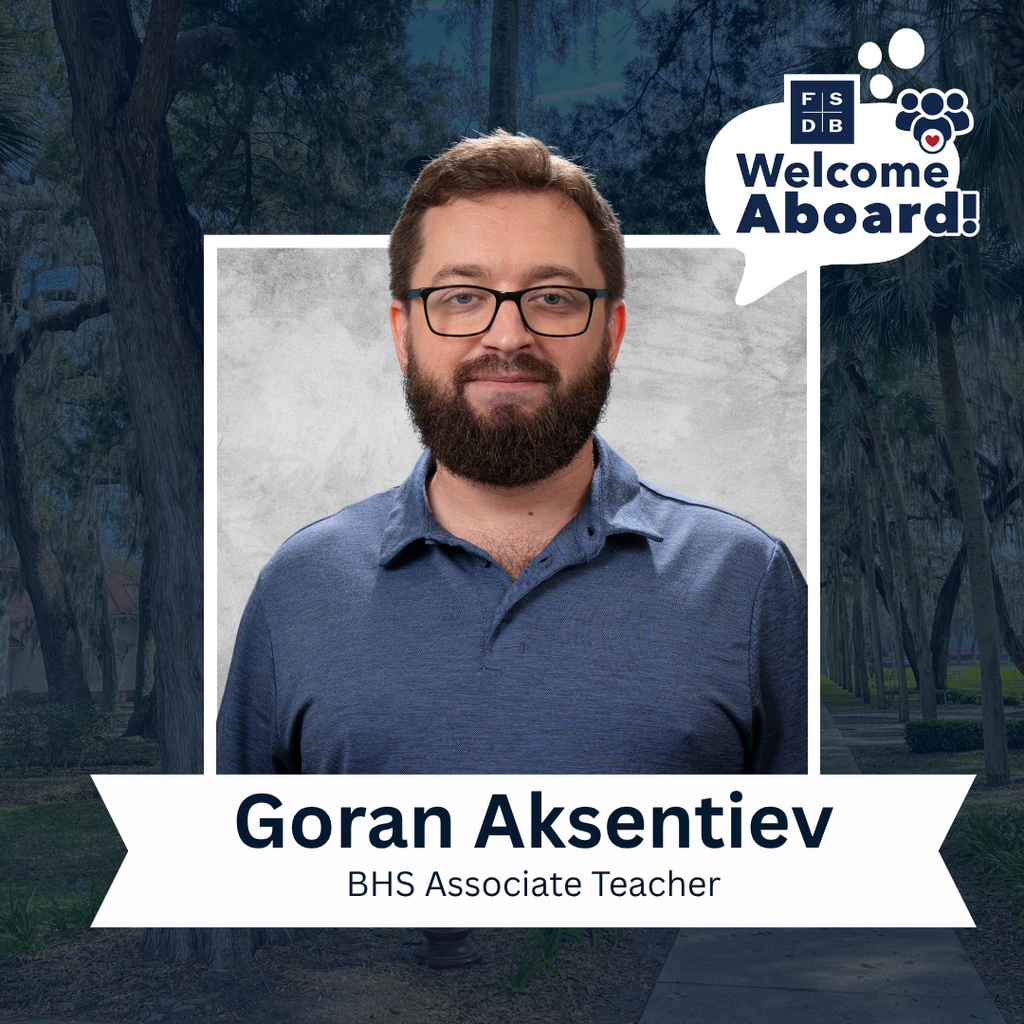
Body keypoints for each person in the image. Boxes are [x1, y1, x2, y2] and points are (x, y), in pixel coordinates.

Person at [217, 131, 807, 775]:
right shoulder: (300, 585)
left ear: (611, 333)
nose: (507, 335)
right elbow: (231, 872)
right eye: (461, 297)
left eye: (552, 298)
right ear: (403, 335)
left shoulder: (749, 580)